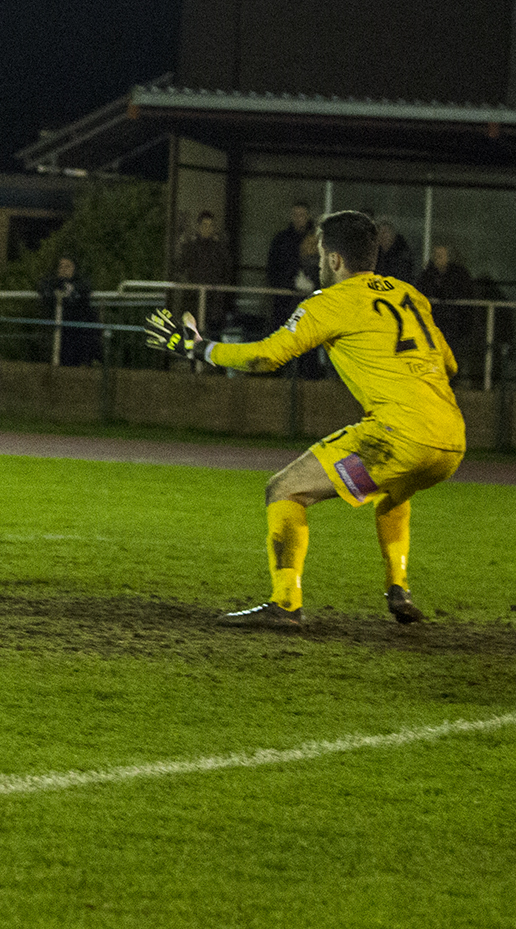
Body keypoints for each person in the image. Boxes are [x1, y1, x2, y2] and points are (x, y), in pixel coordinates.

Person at [145, 210, 464, 629]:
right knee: (393, 494)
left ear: (333, 261)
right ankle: (398, 590)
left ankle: (285, 603)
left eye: (319, 260)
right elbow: (450, 365)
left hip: (397, 435)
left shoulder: (330, 302)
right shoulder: (410, 295)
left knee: (285, 490)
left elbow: (264, 356)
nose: (317, 267)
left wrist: (199, 349)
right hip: (450, 440)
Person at [415, 243, 477, 377]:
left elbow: (462, 295)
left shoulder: (459, 274)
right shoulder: (428, 274)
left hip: (454, 326)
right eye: (436, 256)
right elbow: (422, 292)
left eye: (441, 256)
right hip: (434, 324)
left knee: (451, 359)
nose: (438, 259)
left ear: (449, 257)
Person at [173, 210, 234, 336]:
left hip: (214, 300)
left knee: (212, 334)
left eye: (211, 225)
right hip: (194, 298)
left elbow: (227, 271)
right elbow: (179, 266)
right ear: (199, 226)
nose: (208, 229)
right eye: (205, 225)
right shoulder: (191, 247)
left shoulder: (220, 249)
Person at [38, 254, 98, 367]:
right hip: (62, 330)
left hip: (80, 331)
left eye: (68, 266)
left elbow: (85, 291)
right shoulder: (53, 282)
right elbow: (44, 288)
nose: (64, 270)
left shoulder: (81, 282)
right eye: (61, 266)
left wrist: (71, 291)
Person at [264, 202, 313, 327]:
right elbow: (273, 267)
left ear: (308, 216)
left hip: (309, 298)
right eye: (296, 215)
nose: (298, 219)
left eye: (301, 215)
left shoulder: (315, 241)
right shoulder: (281, 240)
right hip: (284, 298)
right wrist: (285, 284)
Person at [375, 219, 417, 284]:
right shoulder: (375, 254)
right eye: (380, 232)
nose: (382, 235)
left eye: (385, 232)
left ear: (393, 234)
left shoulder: (403, 255)